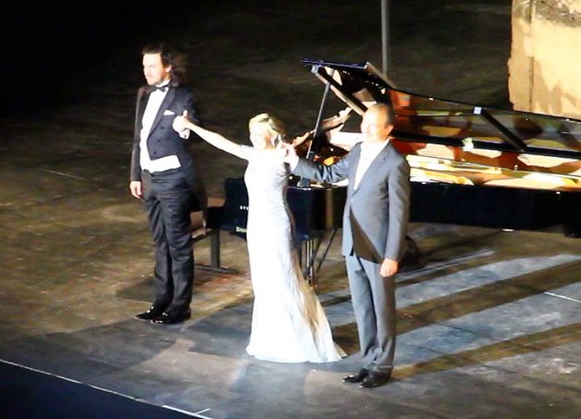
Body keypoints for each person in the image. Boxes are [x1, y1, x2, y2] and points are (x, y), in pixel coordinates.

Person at [173, 111, 343, 363]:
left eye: (257, 134)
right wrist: (191, 127)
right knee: (264, 283)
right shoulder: (254, 154)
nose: (252, 138)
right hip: (257, 226)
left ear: (271, 135)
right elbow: (222, 142)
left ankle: (296, 340)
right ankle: (271, 338)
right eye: (250, 133)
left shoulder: (282, 156)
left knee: (282, 279)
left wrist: (326, 126)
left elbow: (311, 153)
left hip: (276, 225)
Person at [287, 103, 410, 388]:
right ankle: (368, 362)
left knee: (382, 309)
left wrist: (393, 255)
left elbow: (399, 214)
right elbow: (329, 175)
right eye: (364, 123)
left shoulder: (396, 163)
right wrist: (293, 161)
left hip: (378, 250)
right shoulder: (357, 150)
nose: (366, 129)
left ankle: (383, 365)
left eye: (373, 125)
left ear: (389, 129)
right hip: (353, 244)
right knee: (362, 308)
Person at [129, 44, 206, 325]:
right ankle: (160, 300)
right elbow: (138, 137)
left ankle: (180, 305)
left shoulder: (183, 95)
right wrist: (135, 175)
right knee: (159, 242)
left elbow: (195, 127)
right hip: (149, 179)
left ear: (168, 67)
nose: (146, 71)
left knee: (178, 244)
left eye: (152, 66)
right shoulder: (144, 94)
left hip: (174, 180)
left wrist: (186, 126)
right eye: (144, 66)